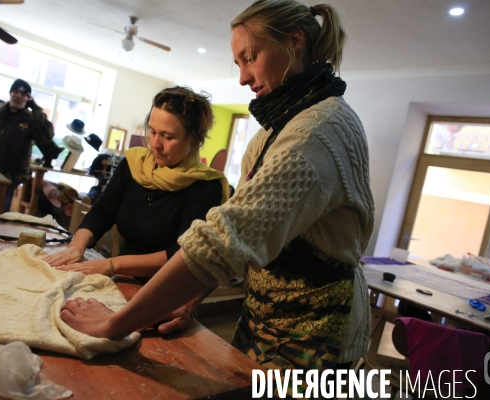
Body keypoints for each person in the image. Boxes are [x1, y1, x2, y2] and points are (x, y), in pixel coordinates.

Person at [59, 1, 374, 394]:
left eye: (250, 58)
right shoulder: (271, 133)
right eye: (237, 63)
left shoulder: (316, 133)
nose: (243, 78)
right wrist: (192, 300)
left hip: (316, 328)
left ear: (294, 42)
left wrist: (113, 324)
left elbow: (224, 240)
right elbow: (240, 231)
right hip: (262, 315)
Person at [44, 86, 231, 280]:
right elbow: (102, 212)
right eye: (152, 131)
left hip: (167, 286)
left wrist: (112, 265)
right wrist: (76, 246)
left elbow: (181, 254)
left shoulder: (205, 187)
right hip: (123, 275)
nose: (155, 144)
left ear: (194, 138)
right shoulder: (135, 165)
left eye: (168, 137)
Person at [0, 79, 63, 211]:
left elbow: (47, 134)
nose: (18, 96)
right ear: (10, 93)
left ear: (28, 98)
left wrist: (36, 108)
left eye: (24, 94)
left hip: (8, 179)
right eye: (16, 91)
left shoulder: (31, 119)